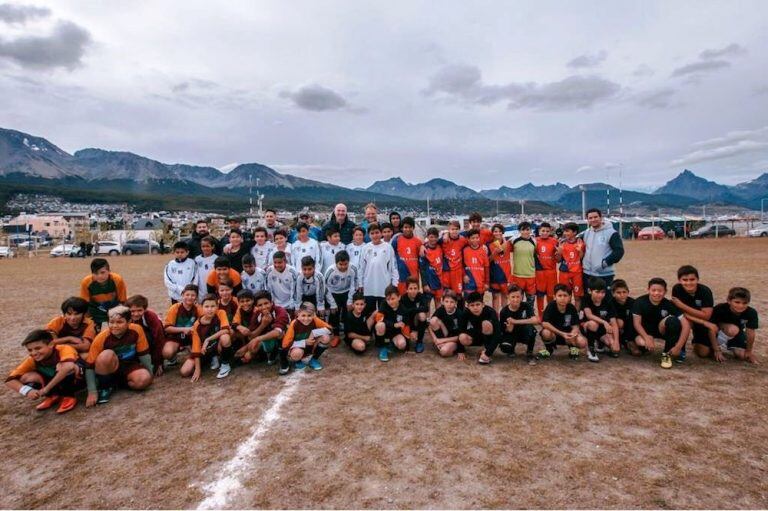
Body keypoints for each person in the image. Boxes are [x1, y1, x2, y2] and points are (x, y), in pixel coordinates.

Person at [84, 305, 153, 406]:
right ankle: (105, 386)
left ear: (129, 322)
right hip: (109, 368)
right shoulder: (102, 337)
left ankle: (117, 384)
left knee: (143, 380)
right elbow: (89, 366)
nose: (114, 326)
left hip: (130, 365)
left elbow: (144, 354)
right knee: (106, 355)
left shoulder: (137, 330)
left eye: (119, 322)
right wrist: (92, 392)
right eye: (111, 322)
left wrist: (150, 374)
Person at [5, 329, 85, 414]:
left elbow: (68, 366)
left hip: (79, 382)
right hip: (54, 383)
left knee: (68, 368)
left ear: (51, 344)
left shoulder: (64, 348)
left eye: (38, 348)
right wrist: (27, 391)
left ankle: (69, 396)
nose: (34, 353)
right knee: (26, 377)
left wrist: (46, 389)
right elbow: (9, 380)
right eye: (30, 350)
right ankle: (53, 395)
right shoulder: (32, 360)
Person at [631, 278, 691, 369]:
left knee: (673, 321)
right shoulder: (639, 302)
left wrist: (679, 346)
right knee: (642, 345)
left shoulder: (668, 304)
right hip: (645, 332)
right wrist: (646, 338)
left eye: (660, 291)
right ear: (648, 290)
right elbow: (637, 323)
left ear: (665, 291)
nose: (656, 293)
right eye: (653, 290)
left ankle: (666, 355)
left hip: (660, 329)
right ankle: (638, 344)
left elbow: (686, 325)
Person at [183, 294, 232, 380]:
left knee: (225, 337)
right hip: (205, 349)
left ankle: (225, 364)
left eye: (213, 306)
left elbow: (226, 330)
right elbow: (196, 348)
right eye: (207, 306)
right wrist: (198, 369)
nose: (210, 309)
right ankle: (212, 358)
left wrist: (208, 339)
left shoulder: (221, 313)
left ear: (217, 306)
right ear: (202, 307)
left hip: (217, 345)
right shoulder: (197, 325)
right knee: (185, 371)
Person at [671, 265, 714, 363]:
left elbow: (706, 315)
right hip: (690, 319)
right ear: (679, 280)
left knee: (703, 353)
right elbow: (679, 313)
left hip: (702, 320)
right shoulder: (677, 289)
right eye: (685, 280)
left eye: (692, 279)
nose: (689, 282)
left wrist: (683, 305)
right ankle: (680, 348)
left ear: (697, 279)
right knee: (681, 322)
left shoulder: (705, 291)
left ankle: (698, 341)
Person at [238, 290, 291, 368]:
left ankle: (284, 361)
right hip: (269, 339)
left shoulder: (280, 311)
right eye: (260, 305)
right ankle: (272, 353)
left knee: (280, 334)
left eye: (266, 303)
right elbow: (250, 336)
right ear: (256, 306)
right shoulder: (257, 314)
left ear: (271, 302)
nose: (264, 307)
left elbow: (277, 332)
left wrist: (258, 339)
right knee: (252, 349)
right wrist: (263, 325)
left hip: (288, 339)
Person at [709, 287, 759, 363]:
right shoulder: (720, 308)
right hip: (719, 332)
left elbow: (750, 333)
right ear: (729, 301)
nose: (741, 306)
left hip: (737, 334)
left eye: (744, 303)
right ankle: (718, 344)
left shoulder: (751, 312)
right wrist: (716, 350)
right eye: (737, 302)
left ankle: (730, 345)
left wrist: (749, 351)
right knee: (732, 329)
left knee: (743, 356)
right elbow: (711, 329)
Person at [358, 223, 399, 316]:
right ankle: (370, 330)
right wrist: (360, 283)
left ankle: (383, 329)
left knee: (384, 312)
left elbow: (394, 267)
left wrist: (394, 284)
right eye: (372, 233)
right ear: (369, 235)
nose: (375, 235)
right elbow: (361, 268)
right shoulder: (365, 248)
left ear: (381, 234)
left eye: (377, 232)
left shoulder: (388, 247)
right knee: (369, 313)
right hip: (369, 286)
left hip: (384, 286)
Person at [280, 302, 332, 372]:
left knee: (326, 338)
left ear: (314, 315)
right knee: (297, 353)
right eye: (303, 315)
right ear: (298, 314)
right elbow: (285, 345)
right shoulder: (294, 324)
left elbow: (330, 329)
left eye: (309, 315)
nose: (306, 318)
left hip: (310, 347)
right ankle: (297, 361)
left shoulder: (315, 320)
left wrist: (313, 333)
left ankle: (313, 359)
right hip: (297, 348)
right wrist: (304, 342)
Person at [540, 284, 587, 360]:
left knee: (582, 342)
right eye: (560, 295)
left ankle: (573, 348)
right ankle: (548, 350)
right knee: (545, 332)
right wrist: (562, 333)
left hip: (567, 336)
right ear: (555, 297)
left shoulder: (571, 308)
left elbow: (575, 326)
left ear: (569, 297)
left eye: (565, 295)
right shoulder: (551, 306)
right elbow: (544, 323)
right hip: (555, 334)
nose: (562, 298)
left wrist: (572, 334)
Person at [80, 258, 127, 330]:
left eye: (102, 272)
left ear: (109, 271)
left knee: (116, 330)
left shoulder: (117, 280)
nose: (99, 276)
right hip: (95, 309)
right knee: (92, 331)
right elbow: (84, 304)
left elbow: (122, 301)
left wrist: (119, 316)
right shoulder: (86, 282)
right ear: (92, 273)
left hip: (114, 308)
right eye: (96, 273)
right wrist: (88, 321)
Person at [582, 208, 624, 288]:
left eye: (595, 217)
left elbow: (619, 251)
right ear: (587, 220)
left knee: (605, 298)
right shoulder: (587, 232)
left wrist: (604, 263)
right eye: (590, 218)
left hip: (604, 274)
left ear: (601, 218)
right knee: (588, 298)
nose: (593, 220)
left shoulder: (611, 233)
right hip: (587, 273)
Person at [580, 277, 620, 362]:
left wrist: (616, 341)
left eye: (603, 292)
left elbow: (614, 323)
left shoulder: (607, 302)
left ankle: (600, 344)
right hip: (586, 327)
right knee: (593, 324)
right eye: (597, 292)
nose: (600, 295)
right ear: (590, 291)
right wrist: (604, 322)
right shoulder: (585, 299)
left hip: (601, 330)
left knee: (613, 345)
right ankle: (590, 349)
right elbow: (589, 315)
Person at [162, 284, 203, 366]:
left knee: (200, 354)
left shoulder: (198, 308)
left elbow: (204, 324)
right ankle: (173, 358)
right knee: (167, 352)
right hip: (176, 337)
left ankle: (189, 348)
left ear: (196, 297)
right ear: (182, 295)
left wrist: (193, 330)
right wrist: (184, 329)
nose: (190, 297)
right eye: (187, 295)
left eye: (193, 295)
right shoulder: (175, 308)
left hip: (191, 337)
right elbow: (167, 328)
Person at [498, 285, 539, 365]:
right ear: (508, 297)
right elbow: (503, 330)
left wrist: (515, 321)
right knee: (505, 347)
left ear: (522, 297)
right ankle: (511, 349)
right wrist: (509, 328)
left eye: (518, 297)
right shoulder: (504, 311)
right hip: (512, 333)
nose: (515, 299)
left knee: (532, 330)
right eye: (513, 297)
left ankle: (529, 352)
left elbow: (535, 320)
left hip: (524, 331)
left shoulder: (526, 306)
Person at [126, 295, 165, 376]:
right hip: (137, 343)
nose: (136, 314)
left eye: (139, 310)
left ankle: (155, 360)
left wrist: (158, 363)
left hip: (151, 341)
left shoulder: (150, 316)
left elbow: (158, 339)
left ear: (145, 309)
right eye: (132, 311)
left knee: (146, 336)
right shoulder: (126, 317)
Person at [458, 291, 501, 365]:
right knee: (462, 337)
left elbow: (498, 334)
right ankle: (481, 348)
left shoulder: (490, 312)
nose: (475, 308)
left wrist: (488, 353)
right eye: (472, 305)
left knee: (485, 323)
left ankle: (486, 349)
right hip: (477, 335)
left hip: (489, 336)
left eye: (478, 304)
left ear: (483, 304)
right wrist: (460, 350)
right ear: (468, 306)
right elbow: (461, 330)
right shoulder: (465, 313)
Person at [324, 250, 357, 340]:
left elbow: (354, 285)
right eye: (340, 264)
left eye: (345, 264)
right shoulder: (330, 271)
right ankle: (336, 335)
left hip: (347, 292)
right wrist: (332, 303)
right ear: (336, 263)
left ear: (348, 262)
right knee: (334, 314)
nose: (343, 267)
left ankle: (348, 334)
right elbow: (326, 288)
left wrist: (350, 300)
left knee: (348, 314)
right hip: (333, 293)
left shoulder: (353, 268)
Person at [373, 285, 411, 361]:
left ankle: (391, 344)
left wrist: (408, 343)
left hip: (396, 333)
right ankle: (383, 348)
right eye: (388, 299)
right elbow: (379, 318)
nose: (390, 301)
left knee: (402, 345)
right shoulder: (383, 304)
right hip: (385, 331)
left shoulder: (403, 309)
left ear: (399, 297)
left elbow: (406, 325)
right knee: (380, 325)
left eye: (393, 299)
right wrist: (393, 325)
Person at [557, 222, 585, 309]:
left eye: (567, 231)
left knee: (577, 296)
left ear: (575, 232)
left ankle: (576, 315)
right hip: (564, 272)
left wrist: (580, 250)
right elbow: (558, 260)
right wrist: (559, 252)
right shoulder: (562, 243)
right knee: (565, 296)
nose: (565, 233)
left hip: (577, 273)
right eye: (564, 231)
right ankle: (566, 314)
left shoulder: (580, 242)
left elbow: (581, 257)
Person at [428, 290, 464, 358]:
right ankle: (441, 344)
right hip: (445, 334)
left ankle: (447, 346)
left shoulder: (459, 314)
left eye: (452, 302)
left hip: (455, 339)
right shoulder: (441, 310)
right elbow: (430, 326)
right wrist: (435, 339)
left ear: (456, 303)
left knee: (444, 352)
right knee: (433, 320)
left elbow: (460, 336)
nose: (449, 304)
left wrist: (461, 351)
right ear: (442, 301)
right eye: (446, 301)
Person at [400, 276, 431, 353]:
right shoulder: (403, 299)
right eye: (410, 288)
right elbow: (404, 315)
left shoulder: (420, 296)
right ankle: (406, 338)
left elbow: (426, 308)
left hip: (416, 321)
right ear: (406, 289)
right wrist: (411, 331)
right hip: (406, 323)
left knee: (422, 315)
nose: (413, 291)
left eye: (415, 288)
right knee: (404, 347)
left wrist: (413, 310)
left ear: (418, 289)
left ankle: (419, 342)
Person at [391, 216, 422, 295]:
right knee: (402, 297)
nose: (407, 229)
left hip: (414, 275)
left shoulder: (418, 242)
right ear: (402, 228)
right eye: (405, 227)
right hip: (401, 275)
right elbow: (391, 256)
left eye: (410, 227)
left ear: (413, 228)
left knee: (412, 298)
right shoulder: (396, 240)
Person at [534, 222, 559, 317]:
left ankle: (550, 315)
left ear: (550, 231)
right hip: (539, 272)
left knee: (550, 295)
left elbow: (558, 258)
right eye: (543, 231)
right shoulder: (535, 241)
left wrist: (558, 253)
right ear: (539, 231)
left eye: (547, 231)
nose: (545, 232)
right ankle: (541, 316)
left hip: (551, 272)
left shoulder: (554, 241)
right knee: (540, 296)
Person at [510, 221, 537, 309]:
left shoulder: (534, 241)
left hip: (531, 275)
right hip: (518, 275)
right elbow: (503, 250)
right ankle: (518, 317)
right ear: (519, 231)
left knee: (531, 300)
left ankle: (529, 318)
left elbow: (536, 255)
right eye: (523, 230)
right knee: (517, 300)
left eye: (528, 229)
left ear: (530, 230)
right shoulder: (514, 240)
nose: (525, 232)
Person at [265, 251, 300, 317]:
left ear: (285, 261)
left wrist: (295, 306)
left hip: (289, 304)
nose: (277, 265)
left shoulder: (292, 271)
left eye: (280, 262)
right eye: (275, 262)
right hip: (276, 304)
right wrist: (272, 303)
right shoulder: (269, 270)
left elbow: (295, 291)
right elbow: (269, 289)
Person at [489, 223, 513, 312]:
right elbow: (487, 261)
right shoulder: (490, 245)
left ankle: (504, 315)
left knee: (505, 296)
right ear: (492, 233)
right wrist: (495, 252)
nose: (497, 233)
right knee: (495, 297)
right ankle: (495, 316)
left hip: (506, 275)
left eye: (499, 231)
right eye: (495, 231)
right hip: (495, 274)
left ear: (503, 232)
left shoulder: (508, 244)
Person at [439, 220, 468, 295]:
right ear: (449, 230)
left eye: (456, 229)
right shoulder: (443, 240)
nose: (454, 231)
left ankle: (459, 307)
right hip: (447, 271)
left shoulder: (463, 240)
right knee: (447, 294)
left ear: (459, 230)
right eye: (452, 229)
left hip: (458, 271)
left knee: (458, 294)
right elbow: (431, 242)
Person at [419, 227, 444, 306]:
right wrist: (424, 284)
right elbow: (422, 269)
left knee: (438, 302)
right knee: (427, 304)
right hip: (429, 282)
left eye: (435, 237)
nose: (433, 239)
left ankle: (438, 318)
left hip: (439, 281)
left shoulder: (440, 246)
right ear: (428, 237)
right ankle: (427, 318)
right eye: (431, 237)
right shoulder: (424, 250)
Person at [610, 279, 636, 354]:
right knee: (619, 322)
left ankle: (629, 342)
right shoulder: (610, 303)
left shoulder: (633, 303)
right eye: (618, 292)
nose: (622, 295)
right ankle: (616, 341)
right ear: (613, 293)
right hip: (615, 327)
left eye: (624, 292)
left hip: (629, 328)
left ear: (628, 292)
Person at [462, 229, 490, 298]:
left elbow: (486, 267)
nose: (475, 240)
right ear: (468, 239)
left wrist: (487, 282)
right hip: (469, 282)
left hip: (480, 282)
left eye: (477, 238)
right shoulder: (465, 250)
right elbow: (461, 265)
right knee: (468, 303)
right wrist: (464, 275)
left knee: (479, 304)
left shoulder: (483, 251)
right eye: (473, 238)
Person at [194, 236, 218, 302]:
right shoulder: (197, 259)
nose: (205, 248)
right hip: (201, 289)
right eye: (203, 246)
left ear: (212, 246)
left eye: (207, 246)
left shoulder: (216, 259)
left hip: (213, 288)